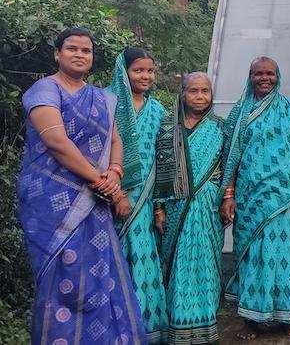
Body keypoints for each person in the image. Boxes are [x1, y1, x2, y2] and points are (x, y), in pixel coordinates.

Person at [17, 27, 146, 344]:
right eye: (72, 48)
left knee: (101, 276)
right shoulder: (45, 90)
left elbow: (116, 140)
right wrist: (103, 182)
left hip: (95, 201)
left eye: (85, 50)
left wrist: (114, 172)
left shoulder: (103, 98)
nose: (78, 54)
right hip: (53, 203)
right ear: (57, 54)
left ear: (92, 57)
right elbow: (56, 142)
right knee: (65, 281)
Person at [219, 57, 290, 339]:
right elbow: (230, 157)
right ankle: (251, 319)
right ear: (250, 76)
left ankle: (287, 315)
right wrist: (229, 194)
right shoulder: (239, 113)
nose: (264, 78)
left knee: (286, 253)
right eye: (258, 73)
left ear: (277, 76)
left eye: (269, 73)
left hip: (285, 198)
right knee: (252, 255)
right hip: (251, 198)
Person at [153, 73, 225, 344]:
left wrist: (227, 199)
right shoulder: (167, 128)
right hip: (174, 207)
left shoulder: (220, 127)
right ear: (182, 94)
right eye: (193, 91)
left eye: (205, 91)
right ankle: (178, 326)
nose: (199, 96)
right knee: (178, 263)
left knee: (205, 262)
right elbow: (158, 172)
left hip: (208, 206)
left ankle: (206, 326)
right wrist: (158, 208)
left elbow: (229, 167)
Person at [108, 47, 169, 343]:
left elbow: (165, 161)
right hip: (109, 199)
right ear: (124, 71)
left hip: (146, 203)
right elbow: (98, 152)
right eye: (138, 70)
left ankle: (146, 329)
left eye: (150, 71)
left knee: (145, 258)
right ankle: (118, 329)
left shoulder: (158, 111)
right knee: (116, 261)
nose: (146, 76)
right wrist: (116, 193)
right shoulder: (107, 102)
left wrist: (159, 207)